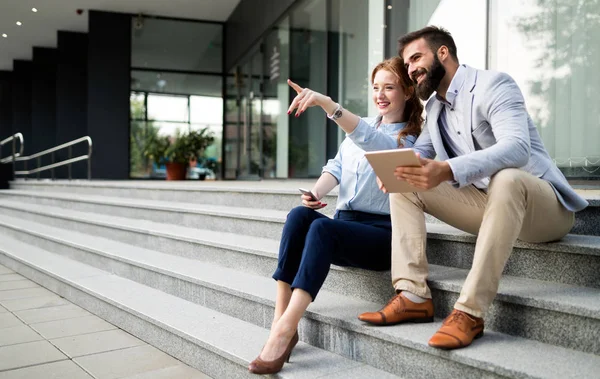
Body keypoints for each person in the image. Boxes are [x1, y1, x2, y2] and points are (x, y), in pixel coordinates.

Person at [357, 26, 589, 350]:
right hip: (490, 208)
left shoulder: (494, 85)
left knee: (506, 177)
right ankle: (412, 295)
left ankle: (470, 312)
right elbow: (421, 153)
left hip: (544, 209)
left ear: (442, 53)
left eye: (416, 58)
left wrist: (449, 168)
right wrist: (396, 170)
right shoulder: (434, 108)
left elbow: (517, 148)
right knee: (405, 184)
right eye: (406, 64)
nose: (410, 69)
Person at [248, 57, 424, 374]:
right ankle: (279, 316)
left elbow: (375, 144)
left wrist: (330, 106)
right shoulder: (365, 124)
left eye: (390, 87)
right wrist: (316, 192)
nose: (380, 94)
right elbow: (337, 167)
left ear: (408, 91)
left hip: (382, 235)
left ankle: (286, 328)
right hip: (346, 227)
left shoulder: (413, 140)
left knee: (321, 232)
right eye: (376, 87)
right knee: (300, 216)